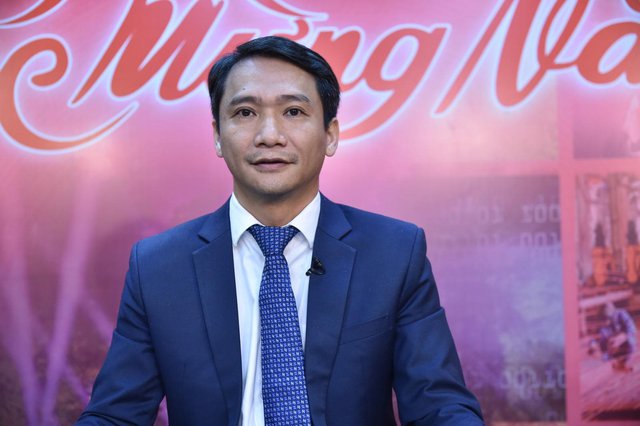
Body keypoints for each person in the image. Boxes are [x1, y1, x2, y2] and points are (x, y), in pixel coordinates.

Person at [77, 36, 484, 425]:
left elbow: (439, 406)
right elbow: (114, 415)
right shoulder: (158, 267)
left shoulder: (393, 253)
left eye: (293, 112)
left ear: (330, 135)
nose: (269, 136)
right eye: (245, 113)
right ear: (217, 136)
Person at [596, 302, 637, 372]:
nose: (606, 321)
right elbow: (603, 340)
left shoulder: (621, 314)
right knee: (607, 349)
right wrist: (606, 352)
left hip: (625, 340)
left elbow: (632, 328)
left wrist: (622, 336)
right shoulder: (604, 323)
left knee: (630, 342)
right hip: (613, 345)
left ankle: (623, 362)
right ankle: (617, 363)